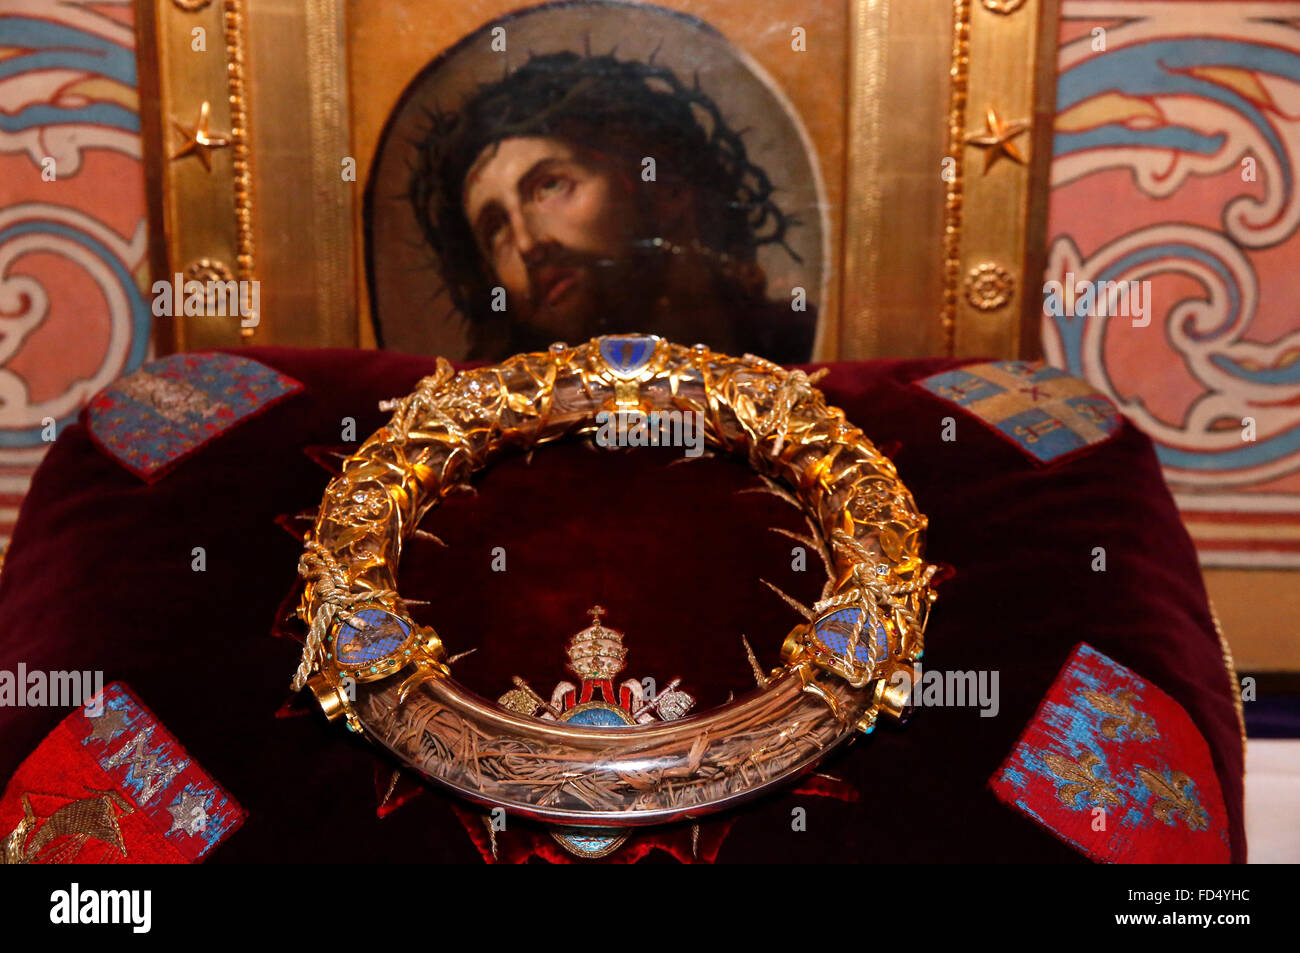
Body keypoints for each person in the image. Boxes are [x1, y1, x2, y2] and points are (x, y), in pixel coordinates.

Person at [407, 50, 816, 361]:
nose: (529, 245)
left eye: (550, 186)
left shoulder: (796, 352)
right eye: (495, 228)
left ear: (667, 189)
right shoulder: (490, 428)